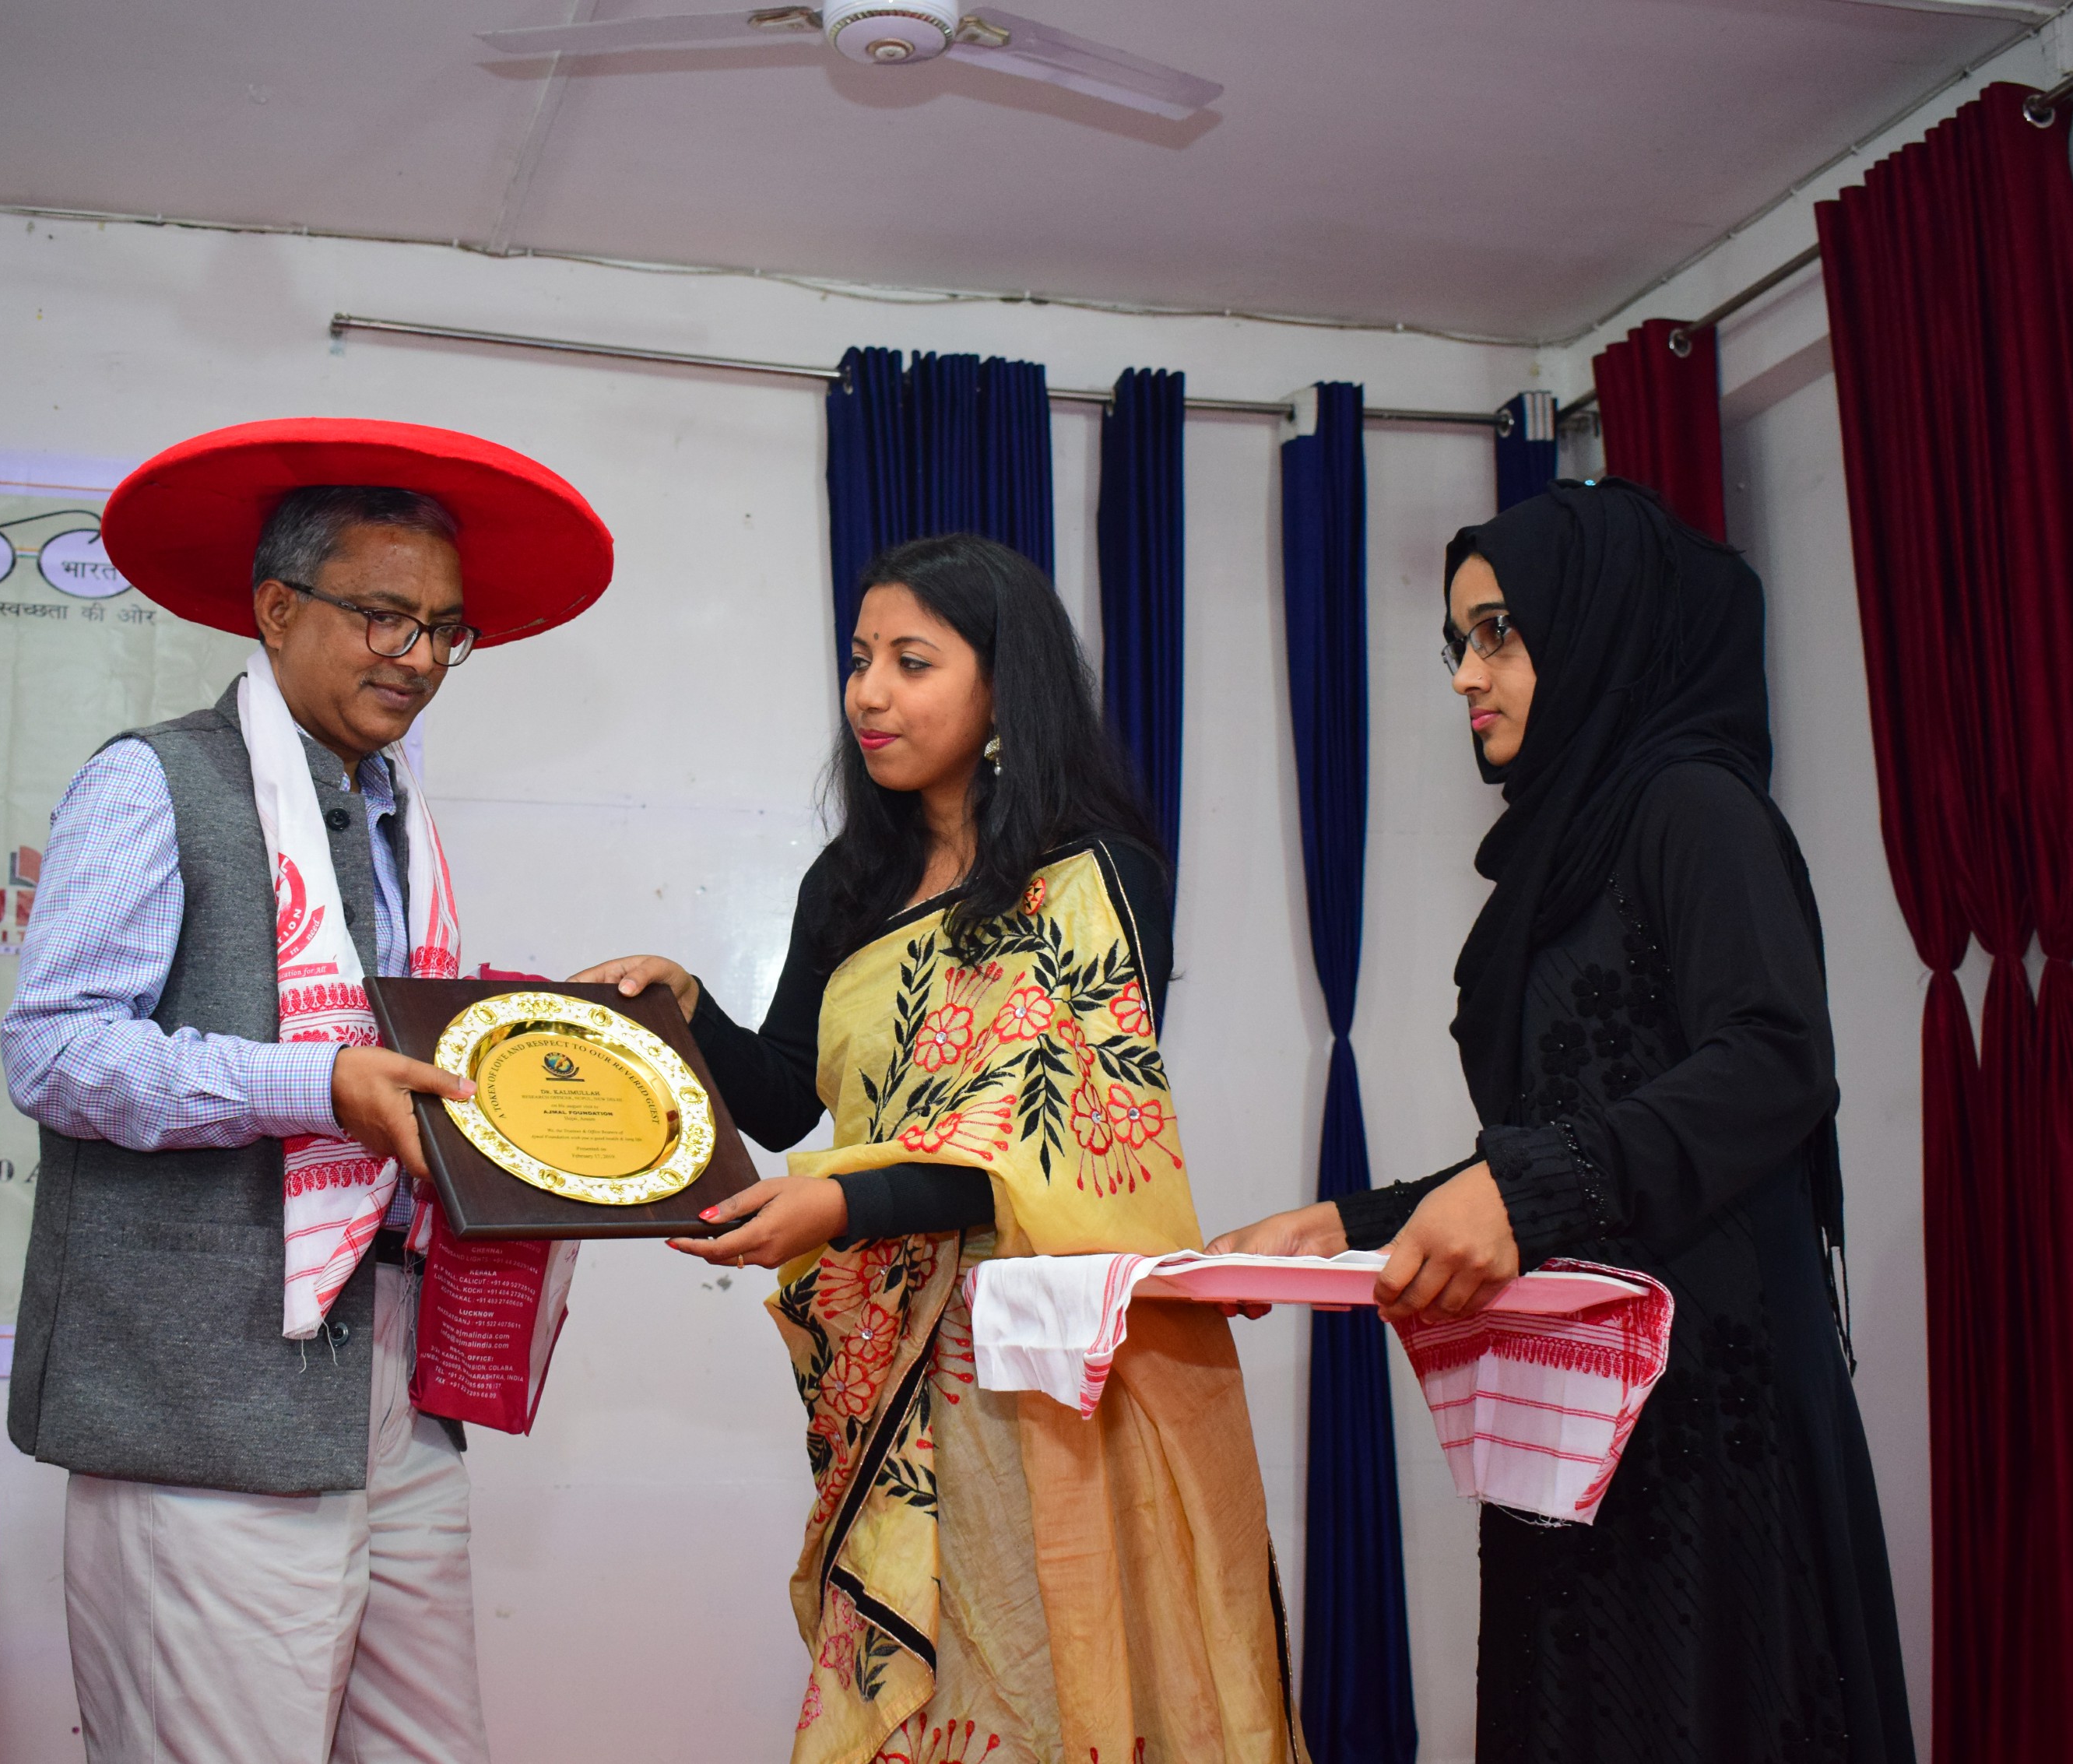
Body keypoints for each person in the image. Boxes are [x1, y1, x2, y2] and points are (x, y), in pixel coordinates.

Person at [1212, 479, 1913, 1762]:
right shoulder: (1562, 851)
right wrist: (1352, 1223)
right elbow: (1569, 1134)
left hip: (1714, 1430)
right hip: (1579, 1427)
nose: (1467, 675)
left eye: (1499, 633)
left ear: (1597, 627)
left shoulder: (1696, 808)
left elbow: (1773, 1060)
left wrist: (1523, 1190)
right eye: (1458, 640)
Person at [574, 532, 1298, 1764]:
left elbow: (1053, 1138)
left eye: (913, 661)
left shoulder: (1097, 876)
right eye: (861, 658)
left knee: (1059, 1678)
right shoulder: (850, 881)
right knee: (927, 1678)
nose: (870, 692)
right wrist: (693, 1008)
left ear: (1005, 685)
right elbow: (788, 1103)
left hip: (1051, 1363)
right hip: (888, 1354)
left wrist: (836, 1210)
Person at [0, 418, 612, 1764]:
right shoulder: (155, 780)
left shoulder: (400, 817)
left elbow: (399, 1056)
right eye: (385, 615)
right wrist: (318, 1086)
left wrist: (578, 1050)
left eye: (443, 629)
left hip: (393, 1379)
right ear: (277, 610)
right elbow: (54, 1048)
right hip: (205, 1396)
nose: (419, 657)